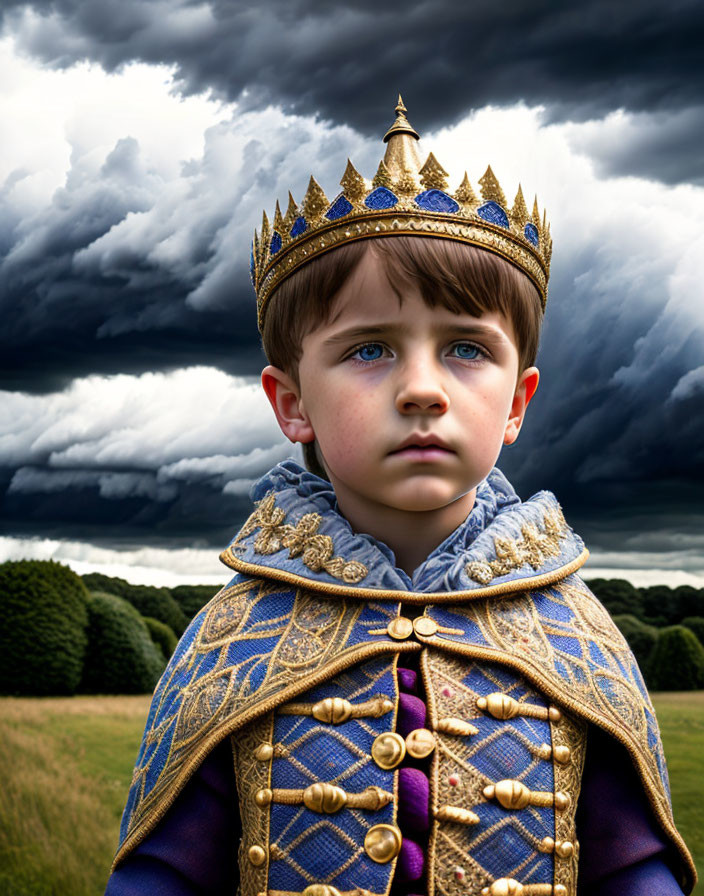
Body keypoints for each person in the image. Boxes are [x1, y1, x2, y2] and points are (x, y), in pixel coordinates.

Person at [105, 98, 695, 896]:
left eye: (464, 348)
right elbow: (160, 877)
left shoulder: (579, 637)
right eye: (371, 348)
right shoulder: (229, 640)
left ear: (518, 402)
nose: (422, 389)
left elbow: (636, 872)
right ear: (291, 403)